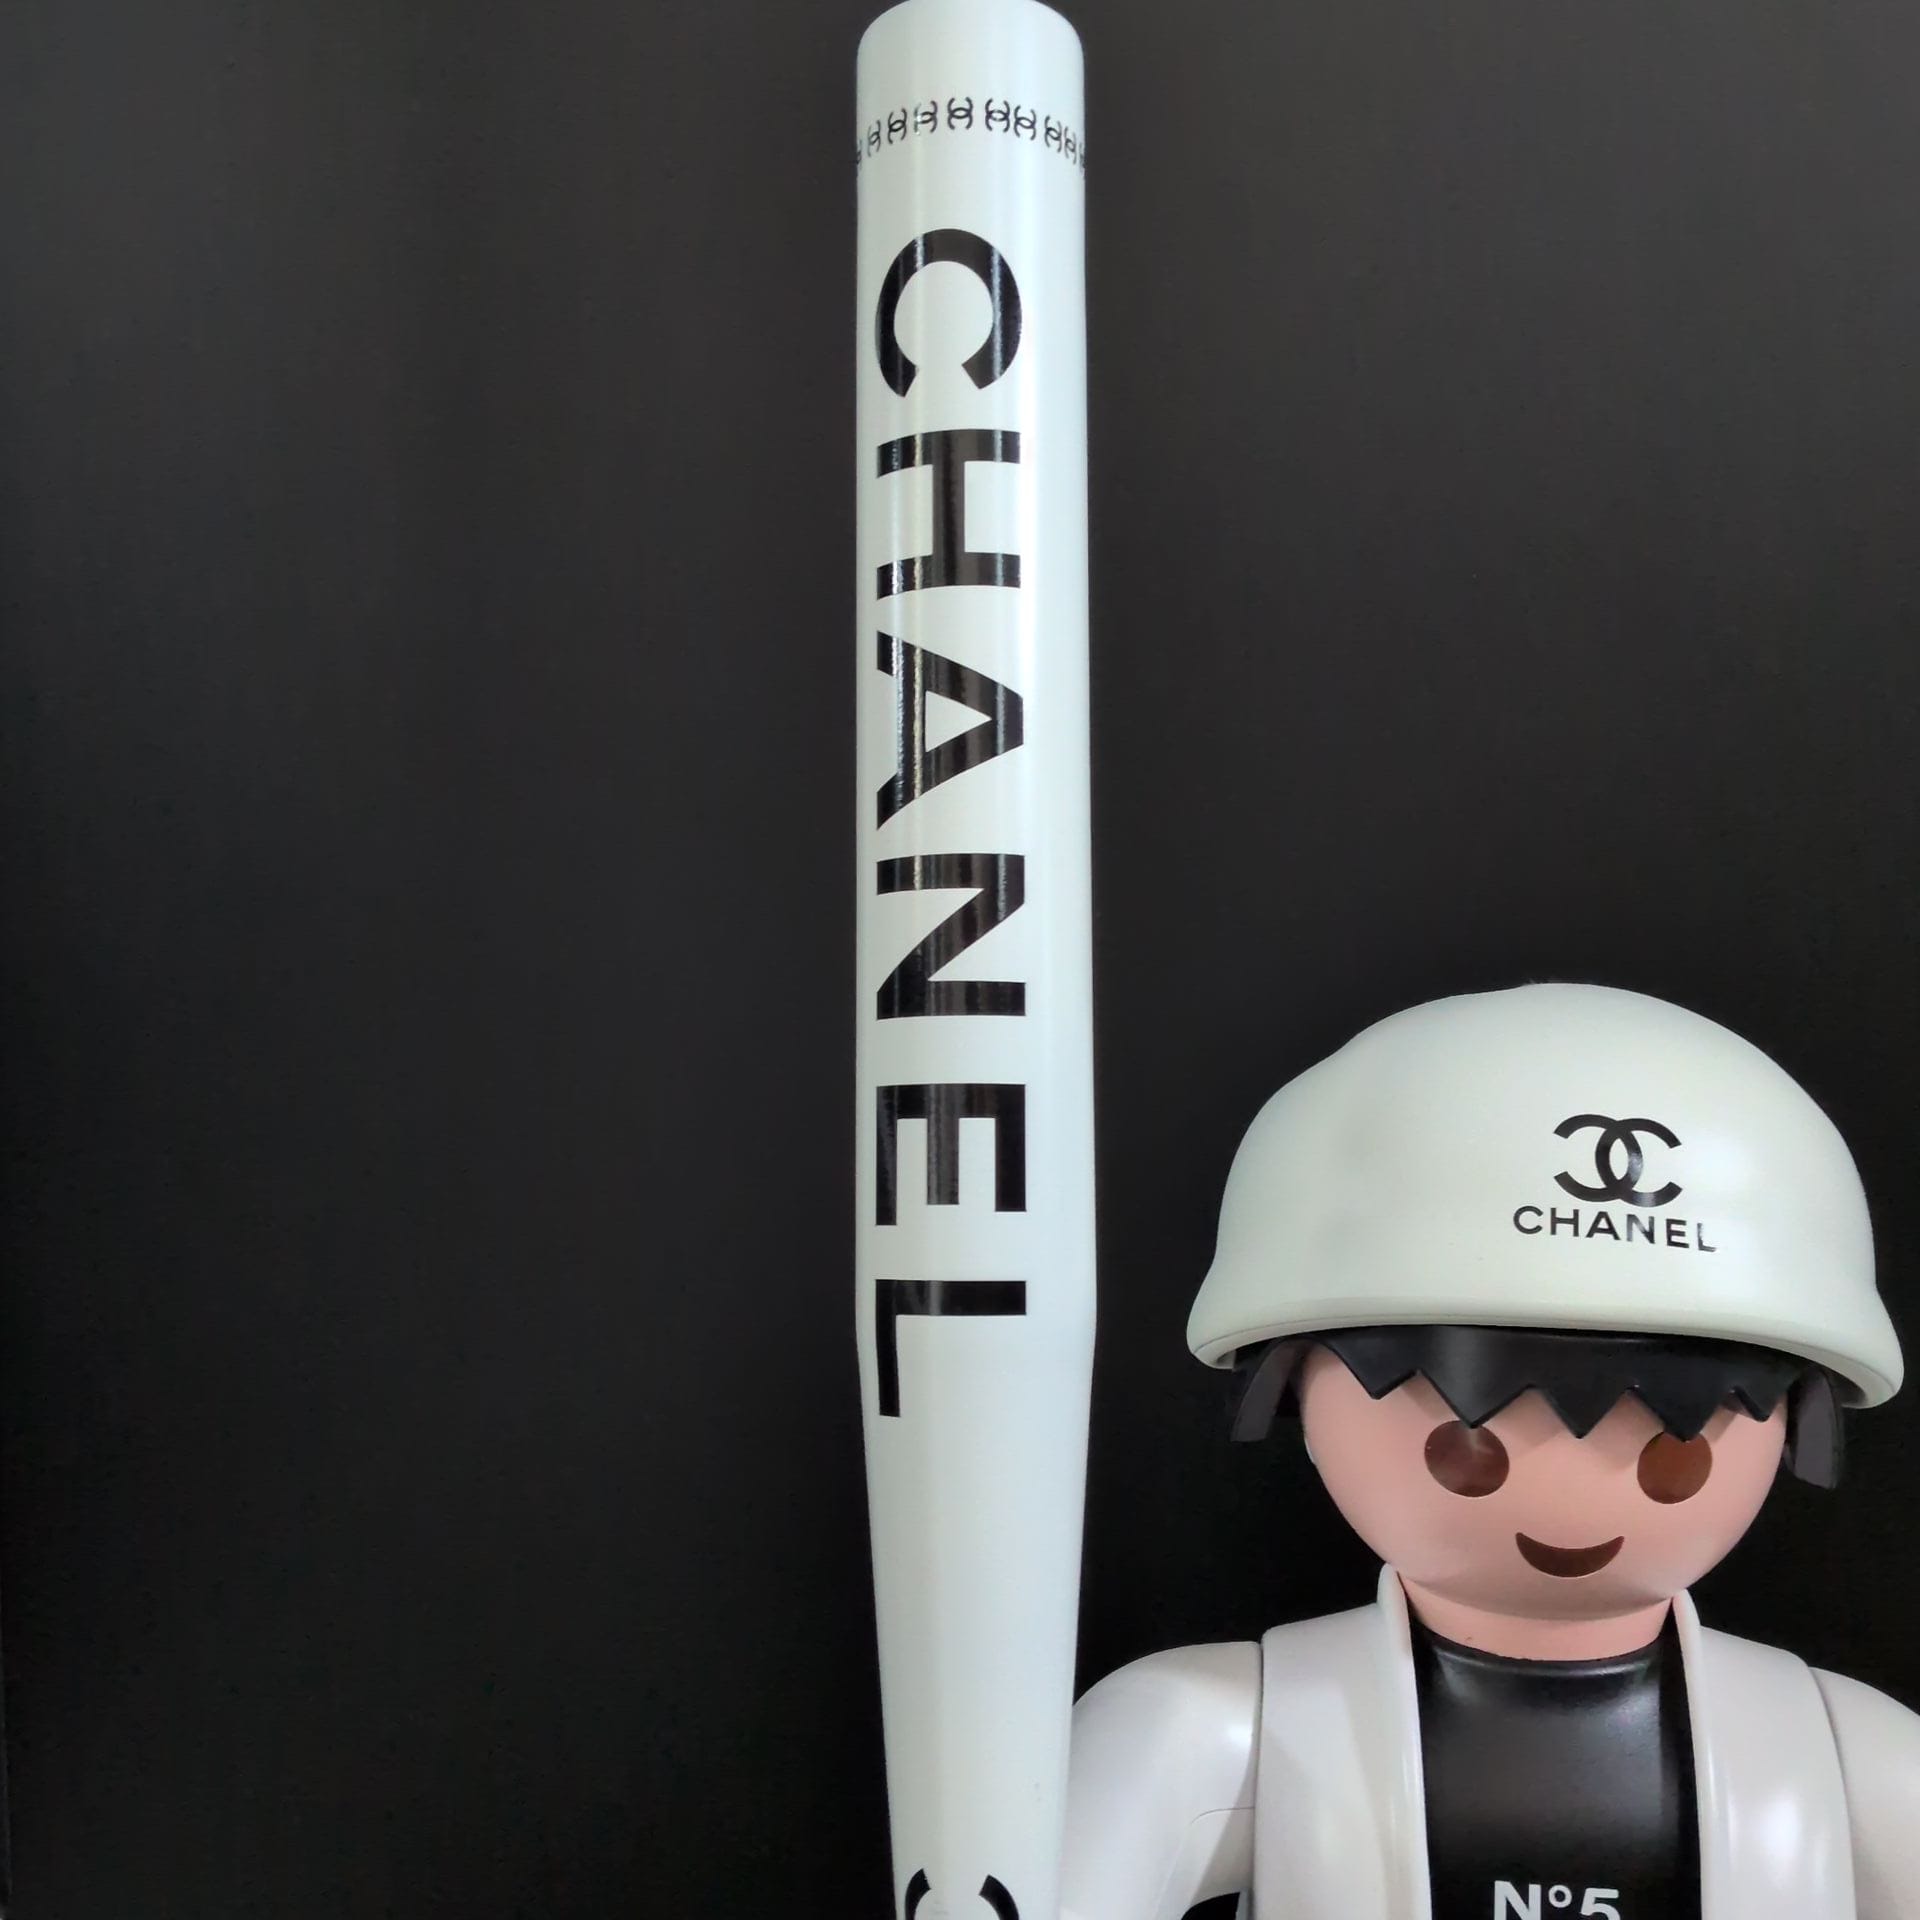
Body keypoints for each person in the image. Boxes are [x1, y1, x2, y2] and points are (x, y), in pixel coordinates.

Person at [1061, 984, 1920, 1920]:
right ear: (1297, 1396)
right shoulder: (1209, 1730)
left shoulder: (1856, 1755)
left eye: (1673, 1459)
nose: (1574, 1504)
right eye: (1466, 1451)